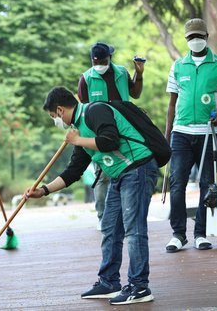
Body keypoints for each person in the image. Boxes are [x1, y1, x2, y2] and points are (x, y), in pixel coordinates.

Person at [27, 87, 158, 305]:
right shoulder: (79, 129)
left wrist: (77, 141)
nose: (55, 122)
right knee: (109, 228)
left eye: (53, 117)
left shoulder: (94, 111)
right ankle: (108, 282)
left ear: (60, 110)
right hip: (120, 175)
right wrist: (43, 190)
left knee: (133, 229)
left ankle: (139, 286)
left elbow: (110, 141)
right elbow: (73, 171)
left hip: (138, 169)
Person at [164, 18, 217, 253]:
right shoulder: (178, 66)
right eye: (191, 37)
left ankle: (201, 234)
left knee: (207, 183)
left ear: (206, 37)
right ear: (186, 39)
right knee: (177, 183)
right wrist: (167, 137)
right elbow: (172, 104)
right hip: (181, 132)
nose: (195, 40)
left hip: (210, 131)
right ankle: (178, 234)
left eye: (199, 36)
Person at [78, 42, 146, 230]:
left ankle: (129, 217)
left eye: (103, 60)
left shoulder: (122, 73)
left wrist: (139, 74)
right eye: (96, 61)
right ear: (92, 60)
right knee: (103, 177)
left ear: (110, 59)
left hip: (126, 131)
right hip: (101, 136)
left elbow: (136, 94)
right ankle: (103, 218)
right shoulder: (86, 79)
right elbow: (83, 111)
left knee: (130, 173)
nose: (99, 64)